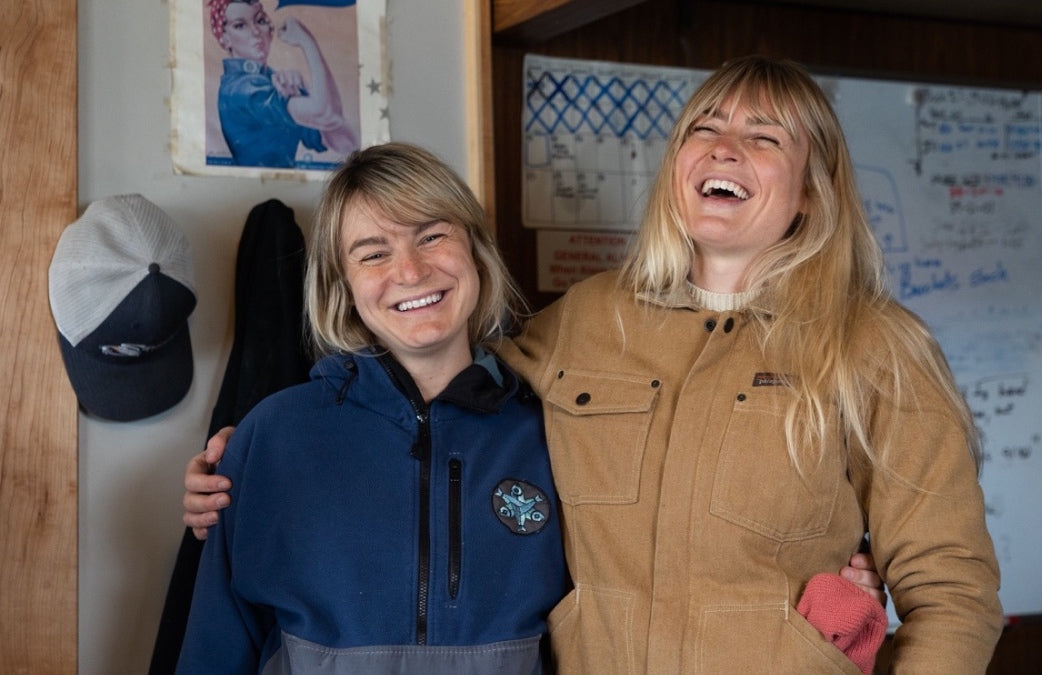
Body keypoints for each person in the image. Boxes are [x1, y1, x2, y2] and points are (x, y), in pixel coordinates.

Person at [183, 54, 980, 671]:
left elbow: (953, 592)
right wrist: (242, 466)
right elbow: (434, 373)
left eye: (765, 137)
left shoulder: (878, 346)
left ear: (810, 190)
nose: (725, 146)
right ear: (678, 166)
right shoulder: (589, 319)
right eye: (704, 128)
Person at [176, 143, 568, 673]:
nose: (410, 271)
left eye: (432, 235)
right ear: (344, 287)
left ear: (475, 251)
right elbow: (214, 647)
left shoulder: (555, 432)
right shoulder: (272, 435)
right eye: (373, 253)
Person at [208, 0, 358, 168]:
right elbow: (326, 114)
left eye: (260, 21)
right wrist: (308, 43)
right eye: (240, 25)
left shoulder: (272, 80)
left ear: (270, 30)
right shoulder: (240, 88)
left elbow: (346, 144)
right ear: (224, 38)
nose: (256, 31)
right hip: (253, 188)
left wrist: (303, 92)